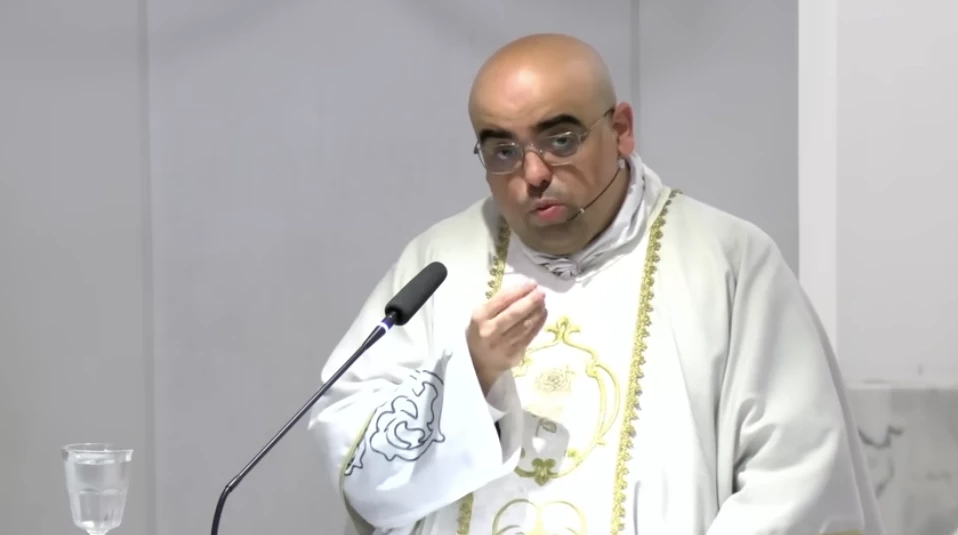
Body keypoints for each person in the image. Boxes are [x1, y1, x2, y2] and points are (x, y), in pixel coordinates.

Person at [307, 33, 885, 535]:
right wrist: (470, 377)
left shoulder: (727, 263)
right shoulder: (438, 264)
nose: (533, 173)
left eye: (560, 140)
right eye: (503, 150)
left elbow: (796, 479)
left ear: (622, 130)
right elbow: (360, 466)